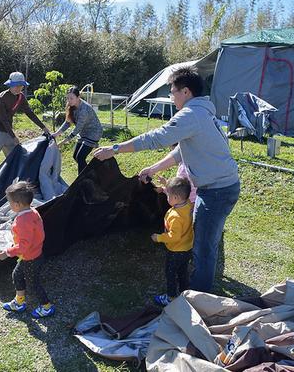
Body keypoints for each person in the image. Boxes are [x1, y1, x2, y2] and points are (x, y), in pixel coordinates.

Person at [94, 66, 240, 293]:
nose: (171, 97)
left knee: (203, 248)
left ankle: (199, 299)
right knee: (203, 243)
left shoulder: (191, 114)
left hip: (217, 191)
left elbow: (156, 138)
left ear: (186, 92)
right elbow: (181, 152)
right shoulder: (203, 113)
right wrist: (154, 168)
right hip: (217, 187)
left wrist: (115, 148)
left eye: (172, 92)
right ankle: (198, 288)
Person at [0, 181, 54, 318]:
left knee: (33, 284)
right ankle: (19, 302)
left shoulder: (23, 221)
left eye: (10, 203)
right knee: (17, 275)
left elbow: (24, 245)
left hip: (30, 258)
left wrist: (7, 253)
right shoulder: (32, 211)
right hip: (34, 254)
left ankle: (47, 307)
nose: (10, 206)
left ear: (17, 204)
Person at [0, 72, 50, 181]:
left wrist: (43, 127)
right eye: (16, 85)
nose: (18, 88)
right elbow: (4, 120)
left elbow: (29, 112)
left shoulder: (21, 97)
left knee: (14, 159)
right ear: (10, 85)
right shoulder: (1, 98)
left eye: (21, 85)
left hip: (8, 133)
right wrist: (14, 136)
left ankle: (12, 182)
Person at [151, 176, 194, 306]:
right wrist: (166, 186)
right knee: (183, 271)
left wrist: (159, 238)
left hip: (176, 250)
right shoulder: (188, 205)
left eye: (168, 195)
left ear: (175, 198)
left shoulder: (176, 217)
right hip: (187, 248)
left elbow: (174, 236)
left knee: (170, 274)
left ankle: (170, 297)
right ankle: (184, 293)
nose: (166, 197)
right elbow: (175, 194)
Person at [52, 86, 103, 174]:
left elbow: (77, 129)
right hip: (84, 133)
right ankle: (90, 175)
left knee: (80, 157)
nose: (69, 100)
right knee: (75, 156)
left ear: (78, 97)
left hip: (93, 133)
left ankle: (81, 181)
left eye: (71, 98)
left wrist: (63, 142)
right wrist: (56, 134)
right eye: (67, 98)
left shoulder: (84, 110)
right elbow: (68, 123)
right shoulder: (71, 105)